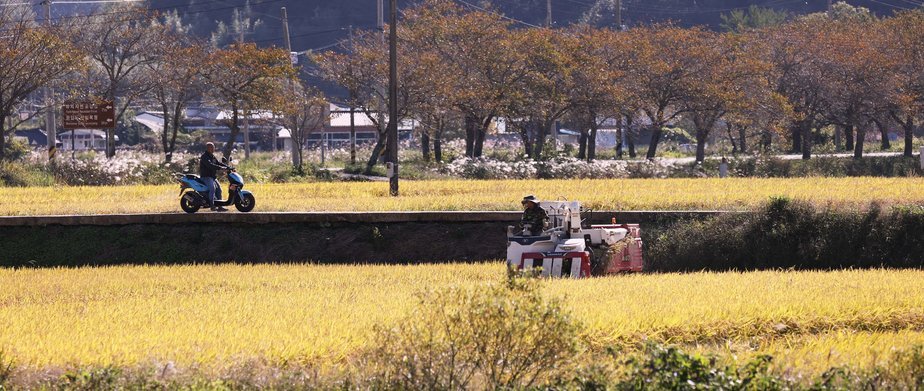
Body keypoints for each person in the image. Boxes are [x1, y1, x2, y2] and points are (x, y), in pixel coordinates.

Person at [199, 142, 230, 212]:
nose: (213, 149)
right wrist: (221, 168)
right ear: (208, 148)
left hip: (212, 177)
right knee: (212, 189)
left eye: (214, 147)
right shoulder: (204, 156)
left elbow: (218, 163)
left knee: (219, 190)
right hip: (206, 177)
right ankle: (211, 205)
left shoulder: (212, 156)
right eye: (212, 147)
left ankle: (220, 206)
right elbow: (210, 165)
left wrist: (227, 167)